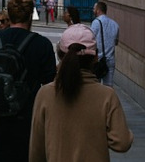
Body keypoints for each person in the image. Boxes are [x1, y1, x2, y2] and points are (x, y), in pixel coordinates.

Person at [29, 24, 134, 161]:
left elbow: (36, 151)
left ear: (60, 55)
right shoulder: (106, 96)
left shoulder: (45, 94)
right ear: (95, 57)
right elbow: (122, 142)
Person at [0, 0, 56, 161]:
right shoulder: (42, 45)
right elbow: (50, 87)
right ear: (31, 15)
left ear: (9, 15)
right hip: (30, 121)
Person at [91, 1, 120, 87]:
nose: (93, 10)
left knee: (96, 86)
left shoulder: (96, 22)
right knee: (108, 86)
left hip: (99, 59)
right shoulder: (115, 24)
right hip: (110, 59)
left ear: (98, 10)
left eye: (94, 9)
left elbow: (91, 39)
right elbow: (116, 42)